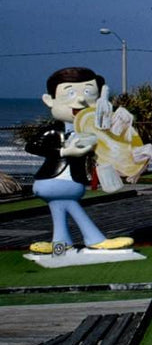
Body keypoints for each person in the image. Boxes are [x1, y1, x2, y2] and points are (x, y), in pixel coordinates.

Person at [26, 67, 134, 254]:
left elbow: (110, 148)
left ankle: (60, 245)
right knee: (70, 204)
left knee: (59, 209)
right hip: (53, 180)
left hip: (67, 182)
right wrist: (64, 151)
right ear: (49, 100)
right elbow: (32, 146)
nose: (81, 99)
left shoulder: (89, 132)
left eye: (88, 93)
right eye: (69, 93)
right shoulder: (54, 132)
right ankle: (95, 239)